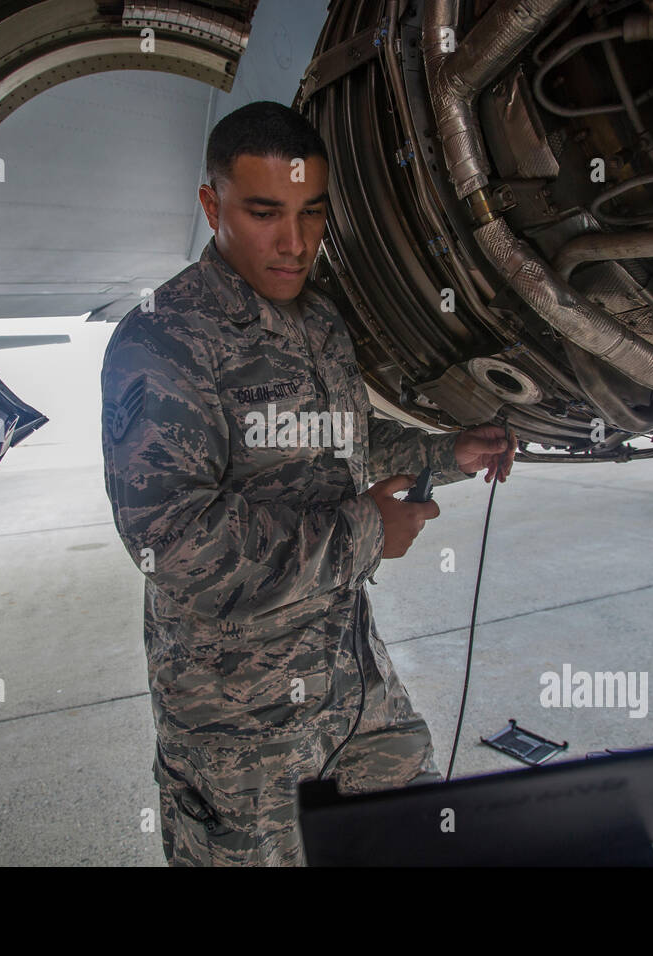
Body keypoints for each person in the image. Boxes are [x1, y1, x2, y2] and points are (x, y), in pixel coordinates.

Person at [100, 100, 515, 865]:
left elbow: (350, 445)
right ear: (210, 205)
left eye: (311, 215)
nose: (294, 244)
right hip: (238, 716)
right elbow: (171, 539)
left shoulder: (318, 321)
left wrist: (445, 455)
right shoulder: (165, 337)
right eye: (264, 214)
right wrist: (366, 532)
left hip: (351, 679)